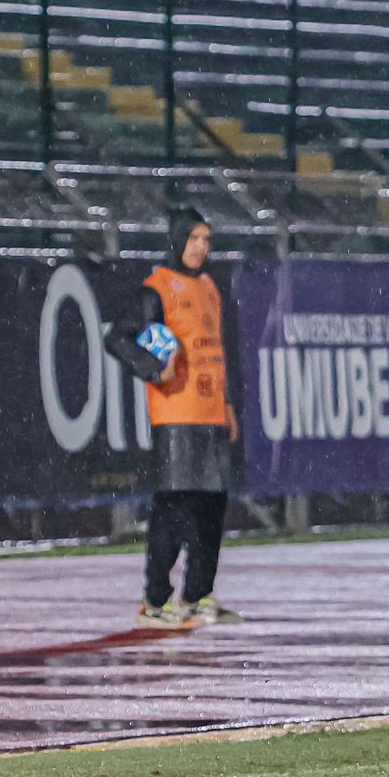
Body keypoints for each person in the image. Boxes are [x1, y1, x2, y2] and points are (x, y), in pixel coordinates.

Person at [106, 207, 243, 629]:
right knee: (174, 510)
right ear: (178, 240)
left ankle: (199, 593)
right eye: (195, 238)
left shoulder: (209, 287)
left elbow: (222, 353)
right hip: (177, 415)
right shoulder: (157, 288)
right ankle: (155, 600)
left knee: (211, 509)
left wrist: (230, 405)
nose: (202, 247)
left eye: (207, 240)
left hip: (211, 414)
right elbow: (118, 337)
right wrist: (153, 368)